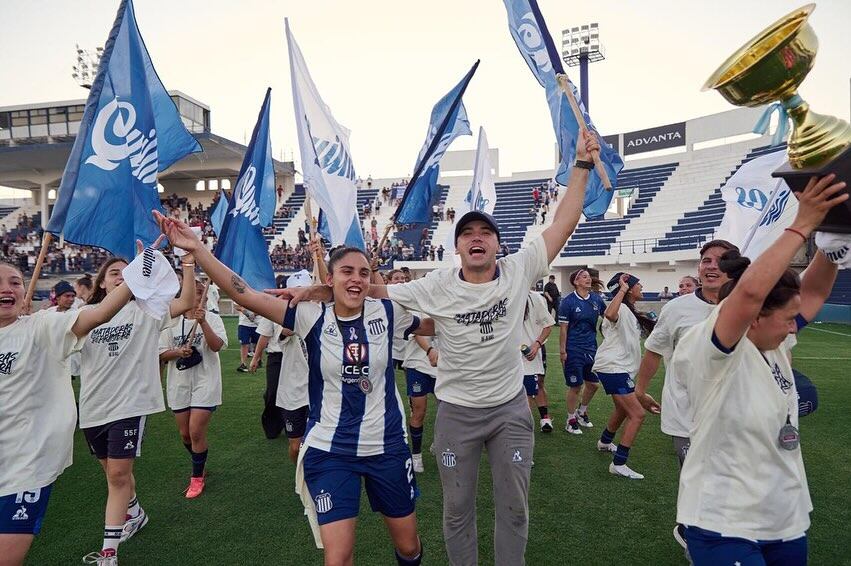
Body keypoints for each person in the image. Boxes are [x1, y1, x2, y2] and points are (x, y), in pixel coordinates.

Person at [281, 131, 601, 564]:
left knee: (514, 508)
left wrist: (581, 166)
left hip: (509, 409)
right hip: (456, 412)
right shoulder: (438, 284)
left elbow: (563, 222)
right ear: (456, 247)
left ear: (497, 244)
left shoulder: (519, 268)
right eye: (467, 232)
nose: (476, 237)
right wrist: (326, 289)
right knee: (456, 511)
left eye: (485, 232)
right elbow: (373, 290)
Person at [155, 211, 434, 566]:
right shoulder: (310, 315)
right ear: (329, 278)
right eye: (347, 271)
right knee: (337, 558)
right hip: (331, 450)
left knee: (408, 547)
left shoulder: (387, 312)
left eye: (364, 273)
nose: (356, 279)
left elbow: (432, 323)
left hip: (387, 446)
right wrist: (198, 250)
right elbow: (244, 291)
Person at [672, 174, 846, 565]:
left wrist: (834, 242)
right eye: (787, 318)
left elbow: (814, 293)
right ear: (753, 318)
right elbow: (750, 293)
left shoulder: (775, 341)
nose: (793, 326)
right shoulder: (713, 347)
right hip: (723, 520)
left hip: (784, 516)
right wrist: (803, 224)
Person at [0, 260, 141, 566]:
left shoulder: (42, 326)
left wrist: (135, 274)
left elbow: (99, 314)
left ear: (25, 292)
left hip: (24, 469)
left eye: (15, 282)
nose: (6, 288)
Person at [79, 249, 195, 564]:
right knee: (113, 474)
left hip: (130, 405)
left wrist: (187, 261)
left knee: (118, 473)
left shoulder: (146, 310)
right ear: (101, 283)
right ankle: (135, 512)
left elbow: (185, 303)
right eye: (115, 273)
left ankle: (108, 552)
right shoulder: (84, 316)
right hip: (92, 407)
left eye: (127, 271)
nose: (122, 276)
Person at [159, 277, 227, 499]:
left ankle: (197, 478)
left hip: (206, 382)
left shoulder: (214, 319)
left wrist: (205, 322)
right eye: (197, 292)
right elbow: (160, 353)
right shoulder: (170, 322)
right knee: (185, 435)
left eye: (203, 293)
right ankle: (200, 463)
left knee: (196, 431)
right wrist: (178, 352)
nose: (201, 296)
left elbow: (216, 346)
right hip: (179, 383)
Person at [593, 273, 656, 479]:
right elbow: (609, 314)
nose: (642, 287)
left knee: (622, 408)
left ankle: (604, 441)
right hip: (613, 367)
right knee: (637, 414)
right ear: (628, 288)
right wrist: (621, 289)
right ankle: (619, 464)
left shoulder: (629, 310)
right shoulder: (618, 307)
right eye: (638, 284)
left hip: (619, 368)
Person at [559, 268, 606, 434]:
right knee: (576, 386)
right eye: (583, 277)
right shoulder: (568, 302)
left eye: (589, 276)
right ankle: (570, 419)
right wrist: (563, 351)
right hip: (573, 348)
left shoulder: (596, 299)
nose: (588, 279)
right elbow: (563, 329)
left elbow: (608, 317)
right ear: (576, 282)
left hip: (591, 347)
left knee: (593, 385)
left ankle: (582, 411)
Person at [401, 322, 438, 474]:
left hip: (442, 364)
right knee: (419, 411)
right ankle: (416, 456)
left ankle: (439, 442)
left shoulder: (449, 300)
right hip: (417, 364)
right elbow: (417, 332)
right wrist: (430, 350)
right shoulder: (418, 301)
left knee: (447, 409)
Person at [520, 290, 554, 432]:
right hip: (507, 356)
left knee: (536, 384)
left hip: (532, 351)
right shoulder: (501, 294)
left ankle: (543, 418)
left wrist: (536, 344)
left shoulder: (536, 298)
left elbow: (547, 325)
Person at [235, 305, 259, 373]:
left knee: (257, 344)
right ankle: (243, 364)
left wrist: (254, 314)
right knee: (244, 343)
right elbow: (236, 306)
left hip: (257, 323)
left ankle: (257, 362)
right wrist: (242, 309)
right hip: (243, 324)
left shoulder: (259, 294)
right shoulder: (241, 295)